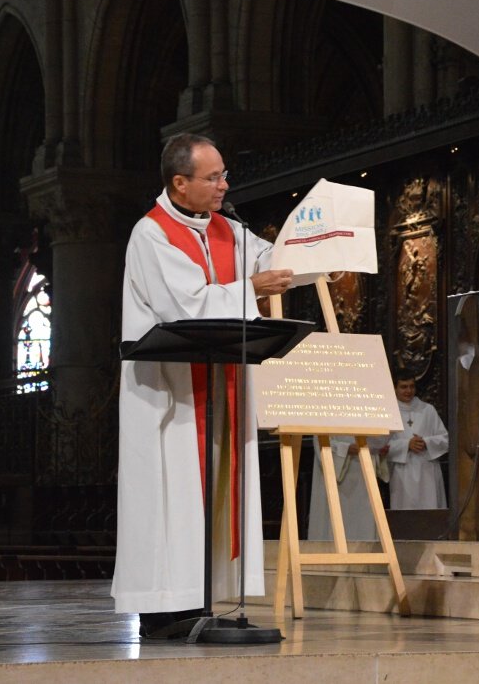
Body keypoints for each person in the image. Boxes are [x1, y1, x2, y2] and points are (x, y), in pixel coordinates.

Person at [111, 133, 293, 638]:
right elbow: (184, 304)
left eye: (223, 174)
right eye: (212, 177)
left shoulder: (231, 231)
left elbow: (268, 260)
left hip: (222, 382)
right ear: (179, 182)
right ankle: (167, 610)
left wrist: (311, 247)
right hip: (170, 393)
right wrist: (252, 289)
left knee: (217, 493)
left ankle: (210, 600)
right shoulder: (150, 234)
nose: (224, 184)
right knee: (173, 495)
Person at [382, 370, 449, 509]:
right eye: (403, 387)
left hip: (428, 471)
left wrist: (426, 442)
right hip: (402, 473)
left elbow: (445, 439)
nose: (409, 391)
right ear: (394, 388)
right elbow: (380, 446)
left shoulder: (428, 410)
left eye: (412, 386)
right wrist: (407, 445)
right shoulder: (388, 412)